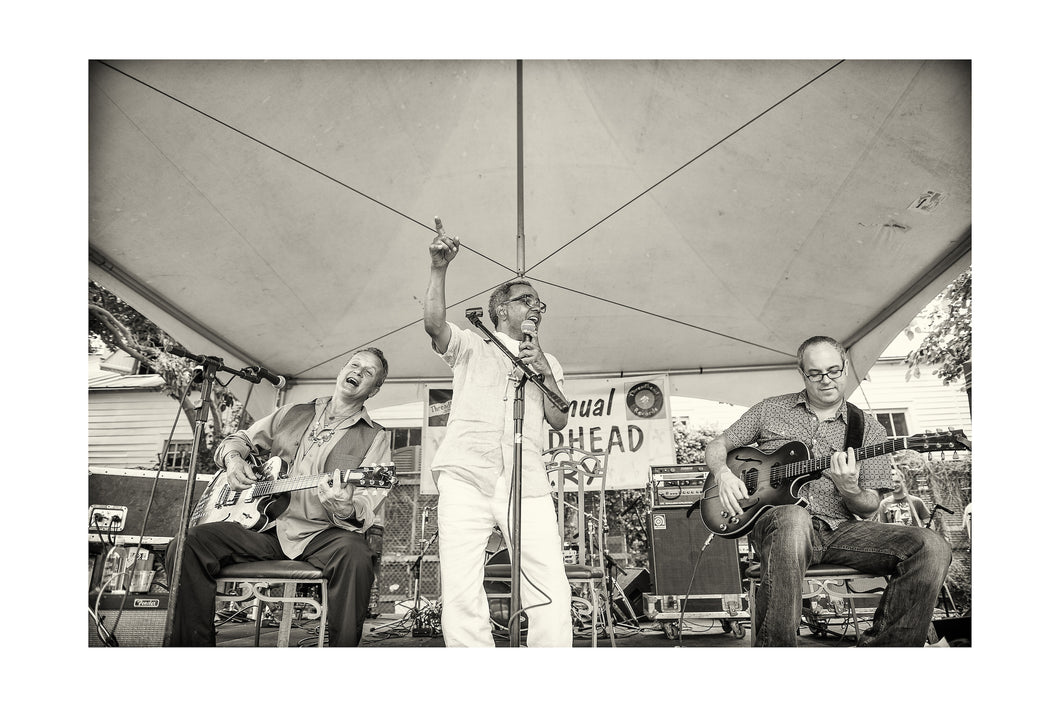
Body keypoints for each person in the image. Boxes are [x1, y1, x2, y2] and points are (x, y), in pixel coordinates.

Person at [704, 335, 952, 646]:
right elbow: (717, 446)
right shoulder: (770, 410)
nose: (826, 380)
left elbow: (869, 507)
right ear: (802, 372)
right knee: (794, 518)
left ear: (846, 368)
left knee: (932, 546)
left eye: (833, 371)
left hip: (841, 532)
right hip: (779, 527)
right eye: (816, 373)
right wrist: (724, 474)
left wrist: (849, 489)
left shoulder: (870, 429)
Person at [166, 348, 393, 646]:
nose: (358, 372)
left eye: (369, 372)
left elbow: (366, 500)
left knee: (356, 554)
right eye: (355, 365)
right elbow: (241, 440)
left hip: (321, 533)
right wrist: (234, 460)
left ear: (374, 390)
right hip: (262, 528)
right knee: (186, 545)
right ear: (341, 371)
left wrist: (346, 506)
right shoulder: (293, 413)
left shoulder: (375, 436)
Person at [423, 217, 573, 647]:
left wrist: (544, 367)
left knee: (549, 586)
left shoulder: (550, 360)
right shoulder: (473, 344)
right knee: (461, 588)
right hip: (466, 475)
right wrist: (438, 268)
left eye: (540, 303)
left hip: (525, 482)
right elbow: (435, 326)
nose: (536, 307)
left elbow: (559, 418)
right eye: (526, 299)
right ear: (501, 310)